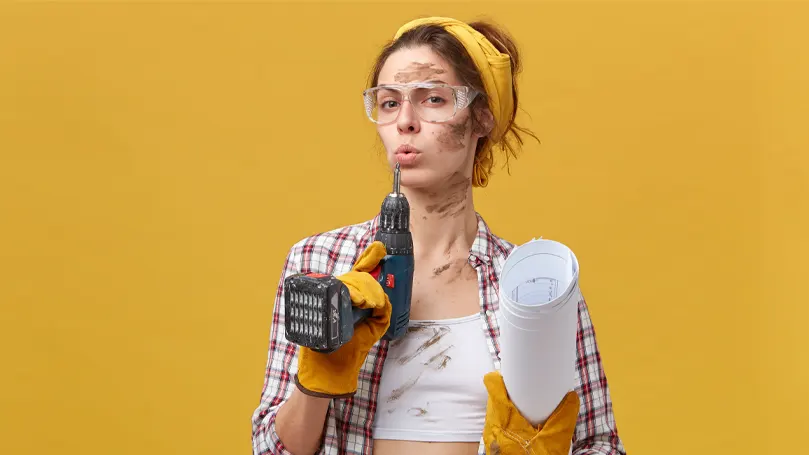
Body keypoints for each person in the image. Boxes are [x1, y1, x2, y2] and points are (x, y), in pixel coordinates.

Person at [251, 16, 626, 455]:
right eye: (389, 103)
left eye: (431, 99)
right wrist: (319, 374)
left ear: (481, 116)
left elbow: (601, 444)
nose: (405, 122)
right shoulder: (320, 263)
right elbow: (271, 448)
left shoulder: (535, 285)